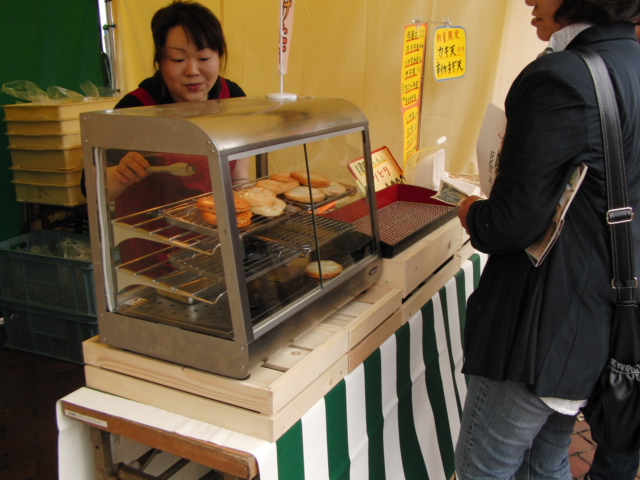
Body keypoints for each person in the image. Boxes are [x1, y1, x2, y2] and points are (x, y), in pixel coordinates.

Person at [454, 0, 640, 478]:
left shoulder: (558, 76)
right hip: (595, 317)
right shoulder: (632, 62)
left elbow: (510, 222)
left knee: (484, 466)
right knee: (545, 461)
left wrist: (472, 211)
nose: (529, 2)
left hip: (539, 326)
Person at [81, 0, 249, 262]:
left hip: (217, 249)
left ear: (219, 56)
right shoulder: (136, 109)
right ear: (160, 59)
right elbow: (89, 189)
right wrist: (120, 174)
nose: (192, 71)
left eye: (204, 58)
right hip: (153, 252)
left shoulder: (232, 98)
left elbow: (240, 174)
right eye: (179, 59)